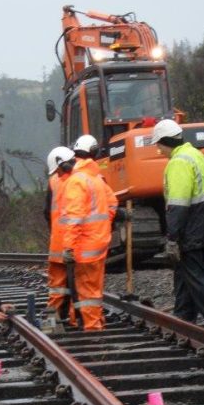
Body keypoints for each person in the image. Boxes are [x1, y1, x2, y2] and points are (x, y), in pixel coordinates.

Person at [151, 119, 204, 336]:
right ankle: (183, 322)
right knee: (184, 277)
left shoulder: (179, 162)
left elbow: (178, 204)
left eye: (158, 144)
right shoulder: (198, 156)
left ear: (165, 141)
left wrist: (172, 237)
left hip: (192, 230)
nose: (158, 149)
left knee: (198, 279)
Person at [60, 134, 118, 330]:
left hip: (84, 246)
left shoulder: (77, 180)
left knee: (85, 289)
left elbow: (74, 218)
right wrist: (102, 228)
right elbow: (112, 204)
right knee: (93, 287)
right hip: (100, 243)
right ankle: (84, 320)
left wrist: (68, 247)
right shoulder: (97, 178)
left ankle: (92, 327)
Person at [43, 146, 77, 321]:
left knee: (57, 286)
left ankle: (52, 318)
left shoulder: (53, 181)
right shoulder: (80, 180)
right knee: (76, 284)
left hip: (57, 244)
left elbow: (46, 212)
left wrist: (55, 233)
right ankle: (73, 319)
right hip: (75, 244)